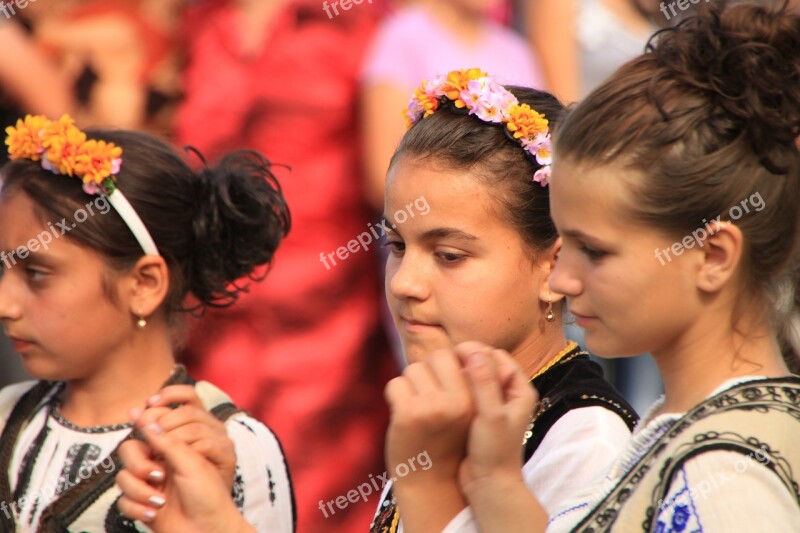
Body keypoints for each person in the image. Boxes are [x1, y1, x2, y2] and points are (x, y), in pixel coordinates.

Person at [113, 69, 639, 532]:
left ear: (554, 267)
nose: (405, 283)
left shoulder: (584, 441)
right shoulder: (448, 412)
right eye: (397, 246)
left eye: (450, 255)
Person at [399, 1, 800, 531]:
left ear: (712, 255)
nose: (563, 279)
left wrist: (423, 483)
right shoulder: (676, 431)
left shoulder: (726, 479)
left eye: (595, 251)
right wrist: (492, 479)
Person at [0, 114, 294, 532]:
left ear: (143, 284)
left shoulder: (226, 448)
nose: (4, 304)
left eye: (36, 274)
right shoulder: (7, 418)